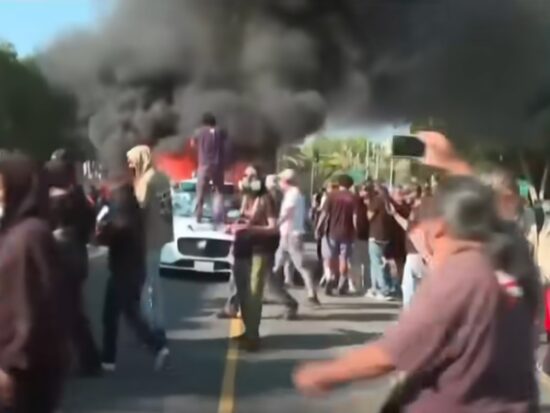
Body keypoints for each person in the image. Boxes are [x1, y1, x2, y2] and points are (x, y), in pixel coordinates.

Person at [295, 176, 540, 413]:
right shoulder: (511, 272)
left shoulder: (459, 276)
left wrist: (324, 373)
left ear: (441, 226)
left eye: (425, 224)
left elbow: (392, 353)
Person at [0, 154, 68, 413]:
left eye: (1, 187)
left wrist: (9, 365)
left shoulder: (29, 236)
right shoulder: (14, 232)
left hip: (22, 376)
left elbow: (30, 310)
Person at [97, 173, 169, 371]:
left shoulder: (124, 216)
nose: (112, 195)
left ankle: (109, 359)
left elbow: (113, 234)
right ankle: (156, 346)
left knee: (113, 316)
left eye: (114, 192)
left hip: (123, 273)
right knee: (130, 314)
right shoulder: (133, 212)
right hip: (133, 271)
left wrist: (102, 231)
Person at [45, 159, 101, 376]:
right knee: (72, 312)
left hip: (64, 258)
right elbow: (89, 225)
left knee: (66, 312)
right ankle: (86, 360)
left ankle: (81, 361)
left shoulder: (58, 199)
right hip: (77, 256)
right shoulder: (79, 196)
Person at [228, 167, 279, 351]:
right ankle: (247, 330)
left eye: (252, 176)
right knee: (243, 292)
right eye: (246, 175)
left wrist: (251, 229)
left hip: (259, 250)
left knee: (254, 294)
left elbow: (273, 227)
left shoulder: (266, 198)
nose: (248, 179)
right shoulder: (245, 197)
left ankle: (253, 336)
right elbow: (240, 218)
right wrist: (233, 226)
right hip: (241, 248)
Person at [126, 145, 173, 345]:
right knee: (154, 282)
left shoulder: (147, 180)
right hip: (160, 236)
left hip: (147, 237)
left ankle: (153, 326)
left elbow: (140, 208)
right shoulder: (162, 177)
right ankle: (156, 323)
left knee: (148, 285)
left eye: (132, 161)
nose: (130, 165)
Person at [273, 169, 320, 305]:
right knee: (277, 263)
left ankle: (311, 292)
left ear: (285, 181)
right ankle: (269, 290)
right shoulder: (296, 194)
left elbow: (288, 212)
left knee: (300, 265)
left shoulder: (293, 194)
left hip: (291, 234)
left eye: (280, 181)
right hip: (288, 234)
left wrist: (276, 224)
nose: (279, 184)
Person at [318, 174, 357, 295]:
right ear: (350, 185)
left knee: (329, 257)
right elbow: (355, 216)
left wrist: (318, 227)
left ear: (339, 183)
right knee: (344, 258)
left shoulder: (331, 195)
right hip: (347, 232)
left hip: (331, 232)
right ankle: (341, 284)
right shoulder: (353, 197)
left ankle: (329, 277)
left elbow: (324, 214)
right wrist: (355, 230)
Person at [192, 112, 227, 224]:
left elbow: (192, 144)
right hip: (218, 165)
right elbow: (225, 144)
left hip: (204, 165)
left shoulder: (199, 132)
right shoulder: (220, 132)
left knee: (200, 193)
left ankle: (198, 217)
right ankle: (218, 217)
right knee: (218, 191)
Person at [366, 182, 395, 300]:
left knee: (376, 263)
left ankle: (383, 289)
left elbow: (369, 216)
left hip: (375, 234)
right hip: (385, 235)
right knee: (375, 262)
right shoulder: (389, 201)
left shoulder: (376, 201)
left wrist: (368, 207)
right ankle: (374, 288)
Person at [351, 184, 370, 292]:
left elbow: (355, 216)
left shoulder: (360, 201)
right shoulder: (358, 201)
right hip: (361, 234)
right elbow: (354, 216)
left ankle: (362, 285)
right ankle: (360, 284)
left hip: (365, 234)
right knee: (359, 261)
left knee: (361, 261)